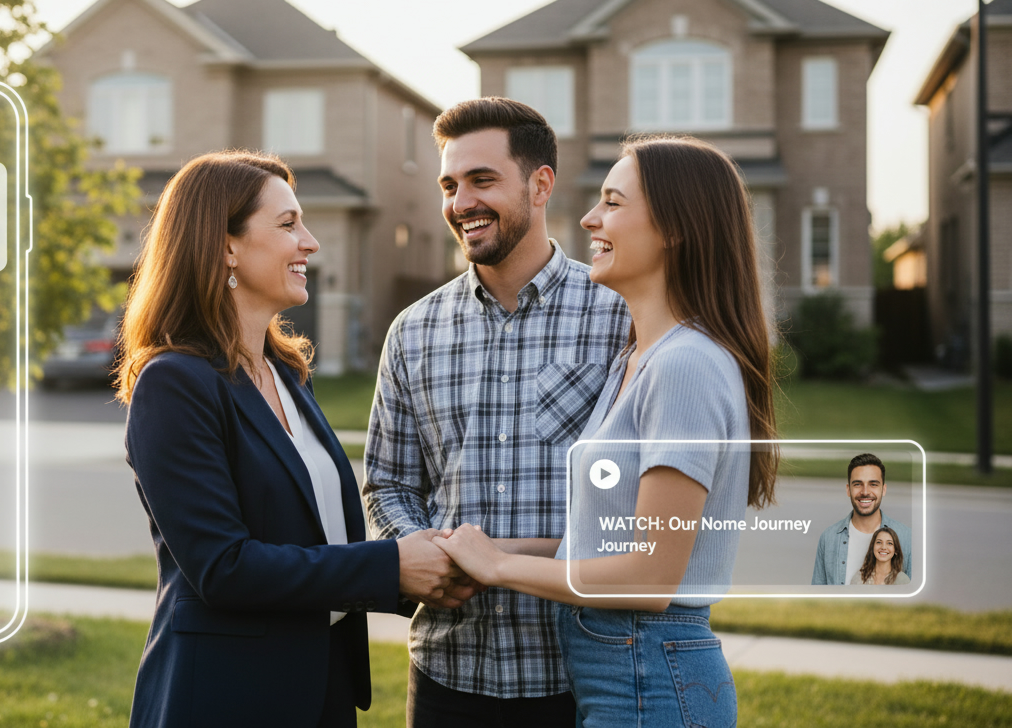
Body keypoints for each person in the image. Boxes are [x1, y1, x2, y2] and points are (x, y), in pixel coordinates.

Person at [433, 135, 780, 727]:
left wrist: (498, 567)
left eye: (613, 203)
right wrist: (483, 549)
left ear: (676, 228)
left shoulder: (685, 365)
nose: (589, 219)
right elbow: (599, 543)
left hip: (649, 679)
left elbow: (649, 576)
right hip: (625, 675)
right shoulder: (636, 359)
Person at [117, 151, 460, 728]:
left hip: (322, 690)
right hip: (226, 697)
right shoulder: (174, 383)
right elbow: (223, 567)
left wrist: (421, 571)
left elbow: (316, 535)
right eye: (287, 224)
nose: (311, 242)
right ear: (225, 246)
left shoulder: (287, 373)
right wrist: (391, 566)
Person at [363, 98, 630, 727]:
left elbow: (639, 502)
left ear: (541, 185)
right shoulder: (412, 332)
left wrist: (496, 559)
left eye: (482, 180)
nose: (461, 203)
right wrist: (427, 556)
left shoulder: (619, 314)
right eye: (449, 186)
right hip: (447, 673)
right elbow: (388, 483)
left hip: (581, 676)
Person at [811, 453, 914, 585]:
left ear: (883, 489)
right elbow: (817, 593)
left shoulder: (906, 537)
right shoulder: (829, 538)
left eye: (873, 484)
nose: (865, 492)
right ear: (848, 490)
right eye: (858, 484)